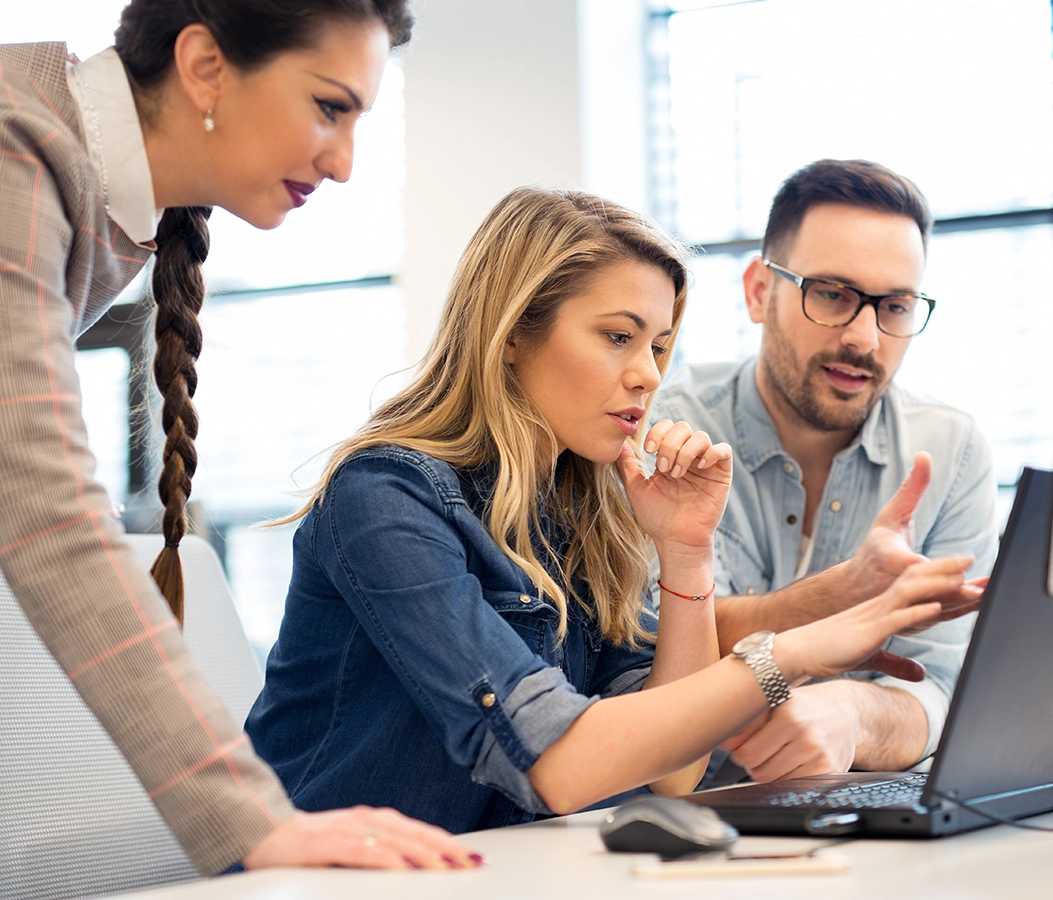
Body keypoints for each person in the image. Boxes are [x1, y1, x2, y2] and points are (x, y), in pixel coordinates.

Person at [244, 186, 978, 834]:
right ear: (512, 334)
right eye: (619, 337)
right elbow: (558, 763)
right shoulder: (384, 497)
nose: (649, 374)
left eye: (659, 345)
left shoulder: (576, 512)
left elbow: (675, 771)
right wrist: (786, 653)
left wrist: (685, 552)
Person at [0, 0, 480, 876]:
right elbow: (44, 514)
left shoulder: (94, 193)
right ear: (205, 66)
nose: (342, 164)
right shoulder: (13, 152)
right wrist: (254, 822)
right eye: (329, 107)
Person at [651, 159, 998, 786]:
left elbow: (948, 692)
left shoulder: (953, 451)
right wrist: (850, 592)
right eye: (833, 295)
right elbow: (670, 648)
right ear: (760, 292)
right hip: (685, 823)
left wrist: (855, 714)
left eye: (895, 306)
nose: (865, 338)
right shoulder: (667, 435)